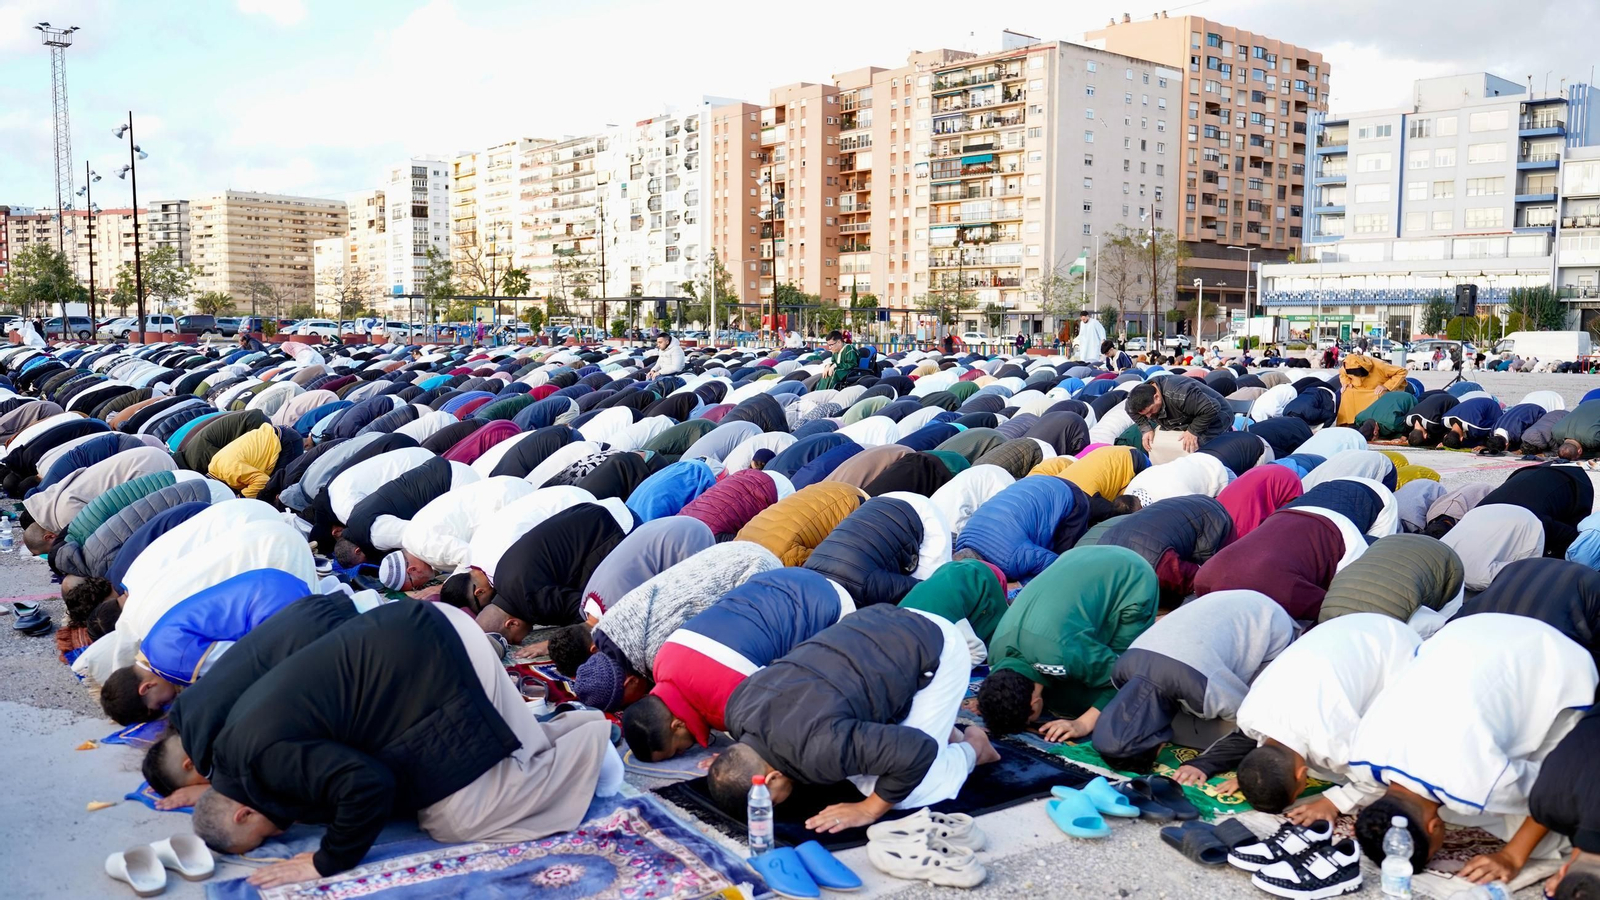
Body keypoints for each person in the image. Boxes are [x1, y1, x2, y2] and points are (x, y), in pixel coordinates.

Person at [189, 601, 622, 887]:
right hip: (423, 638)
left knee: (458, 819)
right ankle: (565, 731)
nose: (277, 836)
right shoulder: (232, 755)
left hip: (445, 658)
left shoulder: (264, 762)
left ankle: (589, 748)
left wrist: (326, 861)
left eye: (260, 838)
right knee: (458, 785)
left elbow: (369, 785)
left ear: (244, 812)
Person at [1349, 614, 1597, 885]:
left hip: (1558, 656)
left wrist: (1512, 856)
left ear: (1434, 827)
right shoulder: (1361, 754)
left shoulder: (1472, 788)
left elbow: (1554, 792)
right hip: (1471, 625)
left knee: (1553, 833)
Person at [708, 605, 999, 833]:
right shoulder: (736, 710)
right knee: (859, 753)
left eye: (771, 803)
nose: (777, 805)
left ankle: (975, 748)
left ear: (772, 778)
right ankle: (944, 726)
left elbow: (918, 750)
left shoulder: (821, 748)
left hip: (938, 648)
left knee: (906, 793)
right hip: (875, 621)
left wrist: (869, 810)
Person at [1181, 613, 1420, 824]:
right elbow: (1266, 754)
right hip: (1343, 631)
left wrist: (1333, 802)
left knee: (1394, 738)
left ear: (1301, 774)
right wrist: (1254, 780)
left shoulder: (1333, 743)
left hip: (1395, 646)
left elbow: (1378, 778)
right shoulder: (1250, 715)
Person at [142, 593, 371, 809]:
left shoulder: (217, 746)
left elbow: (280, 789)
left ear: (189, 764)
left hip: (346, 636)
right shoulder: (187, 707)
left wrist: (213, 791)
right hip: (316, 611)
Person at [622, 567, 852, 762]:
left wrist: (740, 757)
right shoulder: (662, 658)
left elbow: (789, 727)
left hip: (830, 606)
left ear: (677, 725)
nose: (683, 753)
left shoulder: (730, 701)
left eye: (677, 750)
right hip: (777, 578)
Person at [1091, 590, 1296, 772]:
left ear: (1160, 746)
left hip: (1267, 617)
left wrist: (1205, 763)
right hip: (1221, 601)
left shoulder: (1204, 690)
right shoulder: (1121, 670)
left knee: (1261, 715)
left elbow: (1254, 722)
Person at [976, 545, 1159, 740]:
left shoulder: (1063, 657)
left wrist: (1083, 723)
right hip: (1076, 555)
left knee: (1094, 695)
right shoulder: (996, 654)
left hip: (1131, 574)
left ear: (1035, 705)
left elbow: (1125, 677)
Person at [1125, 376, 1229, 454]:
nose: (1148, 416)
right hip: (1184, 416)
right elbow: (1130, 410)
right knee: (1162, 444)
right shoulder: (1134, 401)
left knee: (1196, 448)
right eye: (1144, 414)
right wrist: (1146, 428)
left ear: (1156, 397)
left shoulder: (1179, 395)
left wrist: (1193, 430)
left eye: (1151, 411)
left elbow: (1212, 407)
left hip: (1218, 415)